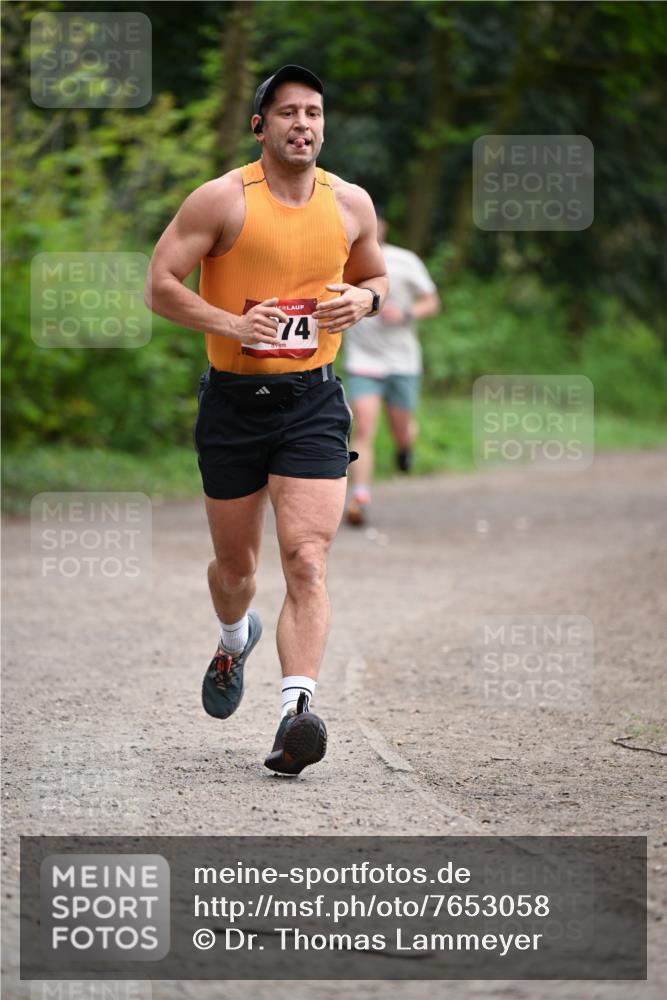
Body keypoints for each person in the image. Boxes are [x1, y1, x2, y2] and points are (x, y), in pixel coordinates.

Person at [145, 65, 387, 776]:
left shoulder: (349, 204)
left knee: (307, 560)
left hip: (311, 401)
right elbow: (159, 284)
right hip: (231, 402)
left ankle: (296, 714)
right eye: (287, 113)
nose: (302, 125)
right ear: (261, 127)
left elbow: (375, 277)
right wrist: (232, 323)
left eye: (312, 112)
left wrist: (363, 303)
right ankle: (231, 637)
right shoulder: (222, 200)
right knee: (235, 568)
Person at [343, 216, 440, 525]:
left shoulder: (404, 260)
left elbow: (432, 302)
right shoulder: (344, 258)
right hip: (363, 360)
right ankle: (359, 498)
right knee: (364, 428)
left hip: (402, 361)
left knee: (402, 428)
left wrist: (407, 313)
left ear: (382, 226)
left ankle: (404, 448)